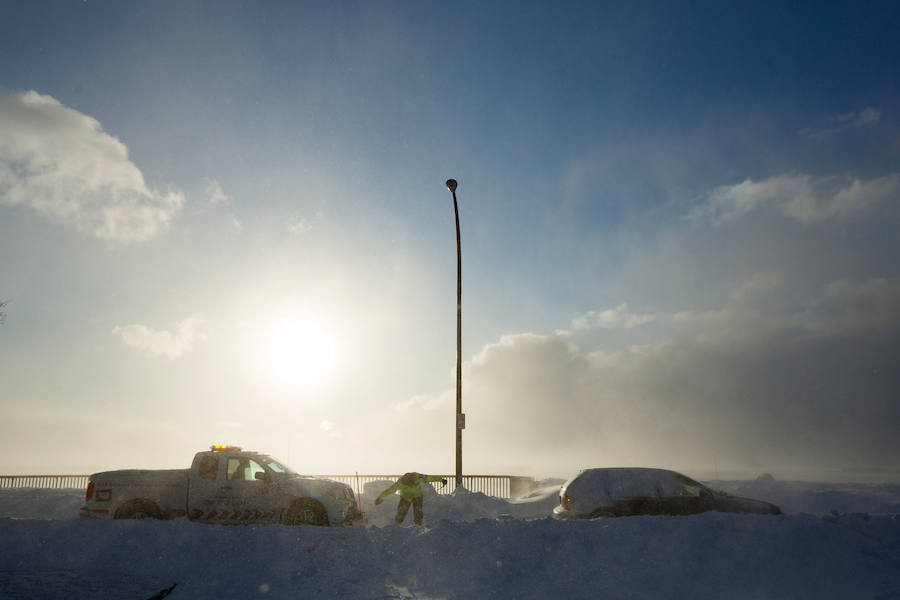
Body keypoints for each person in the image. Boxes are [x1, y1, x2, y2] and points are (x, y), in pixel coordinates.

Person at [374, 472, 447, 525]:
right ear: (405, 484)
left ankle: (418, 525)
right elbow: (389, 490)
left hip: (417, 496)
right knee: (401, 512)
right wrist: (380, 497)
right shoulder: (400, 483)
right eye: (409, 486)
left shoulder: (418, 477)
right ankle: (396, 526)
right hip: (406, 498)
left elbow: (430, 478)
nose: (412, 486)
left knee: (418, 512)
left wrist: (441, 479)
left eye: (414, 484)